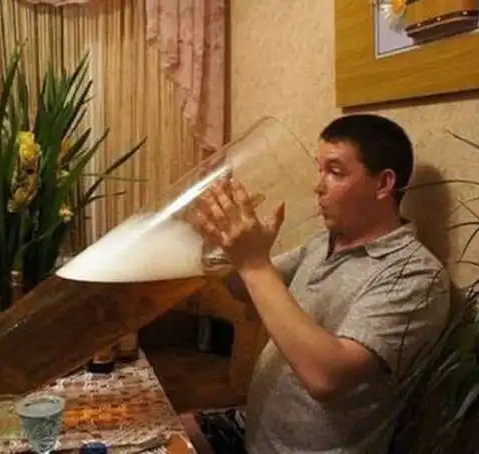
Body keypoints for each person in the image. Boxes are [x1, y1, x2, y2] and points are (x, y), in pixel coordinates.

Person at [191, 114, 451, 454]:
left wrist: (254, 263)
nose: (318, 186)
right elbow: (242, 290)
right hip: (253, 429)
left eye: (335, 171)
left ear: (384, 184)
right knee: (162, 433)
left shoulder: (415, 274)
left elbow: (326, 377)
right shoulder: (321, 243)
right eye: (319, 170)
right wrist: (229, 249)